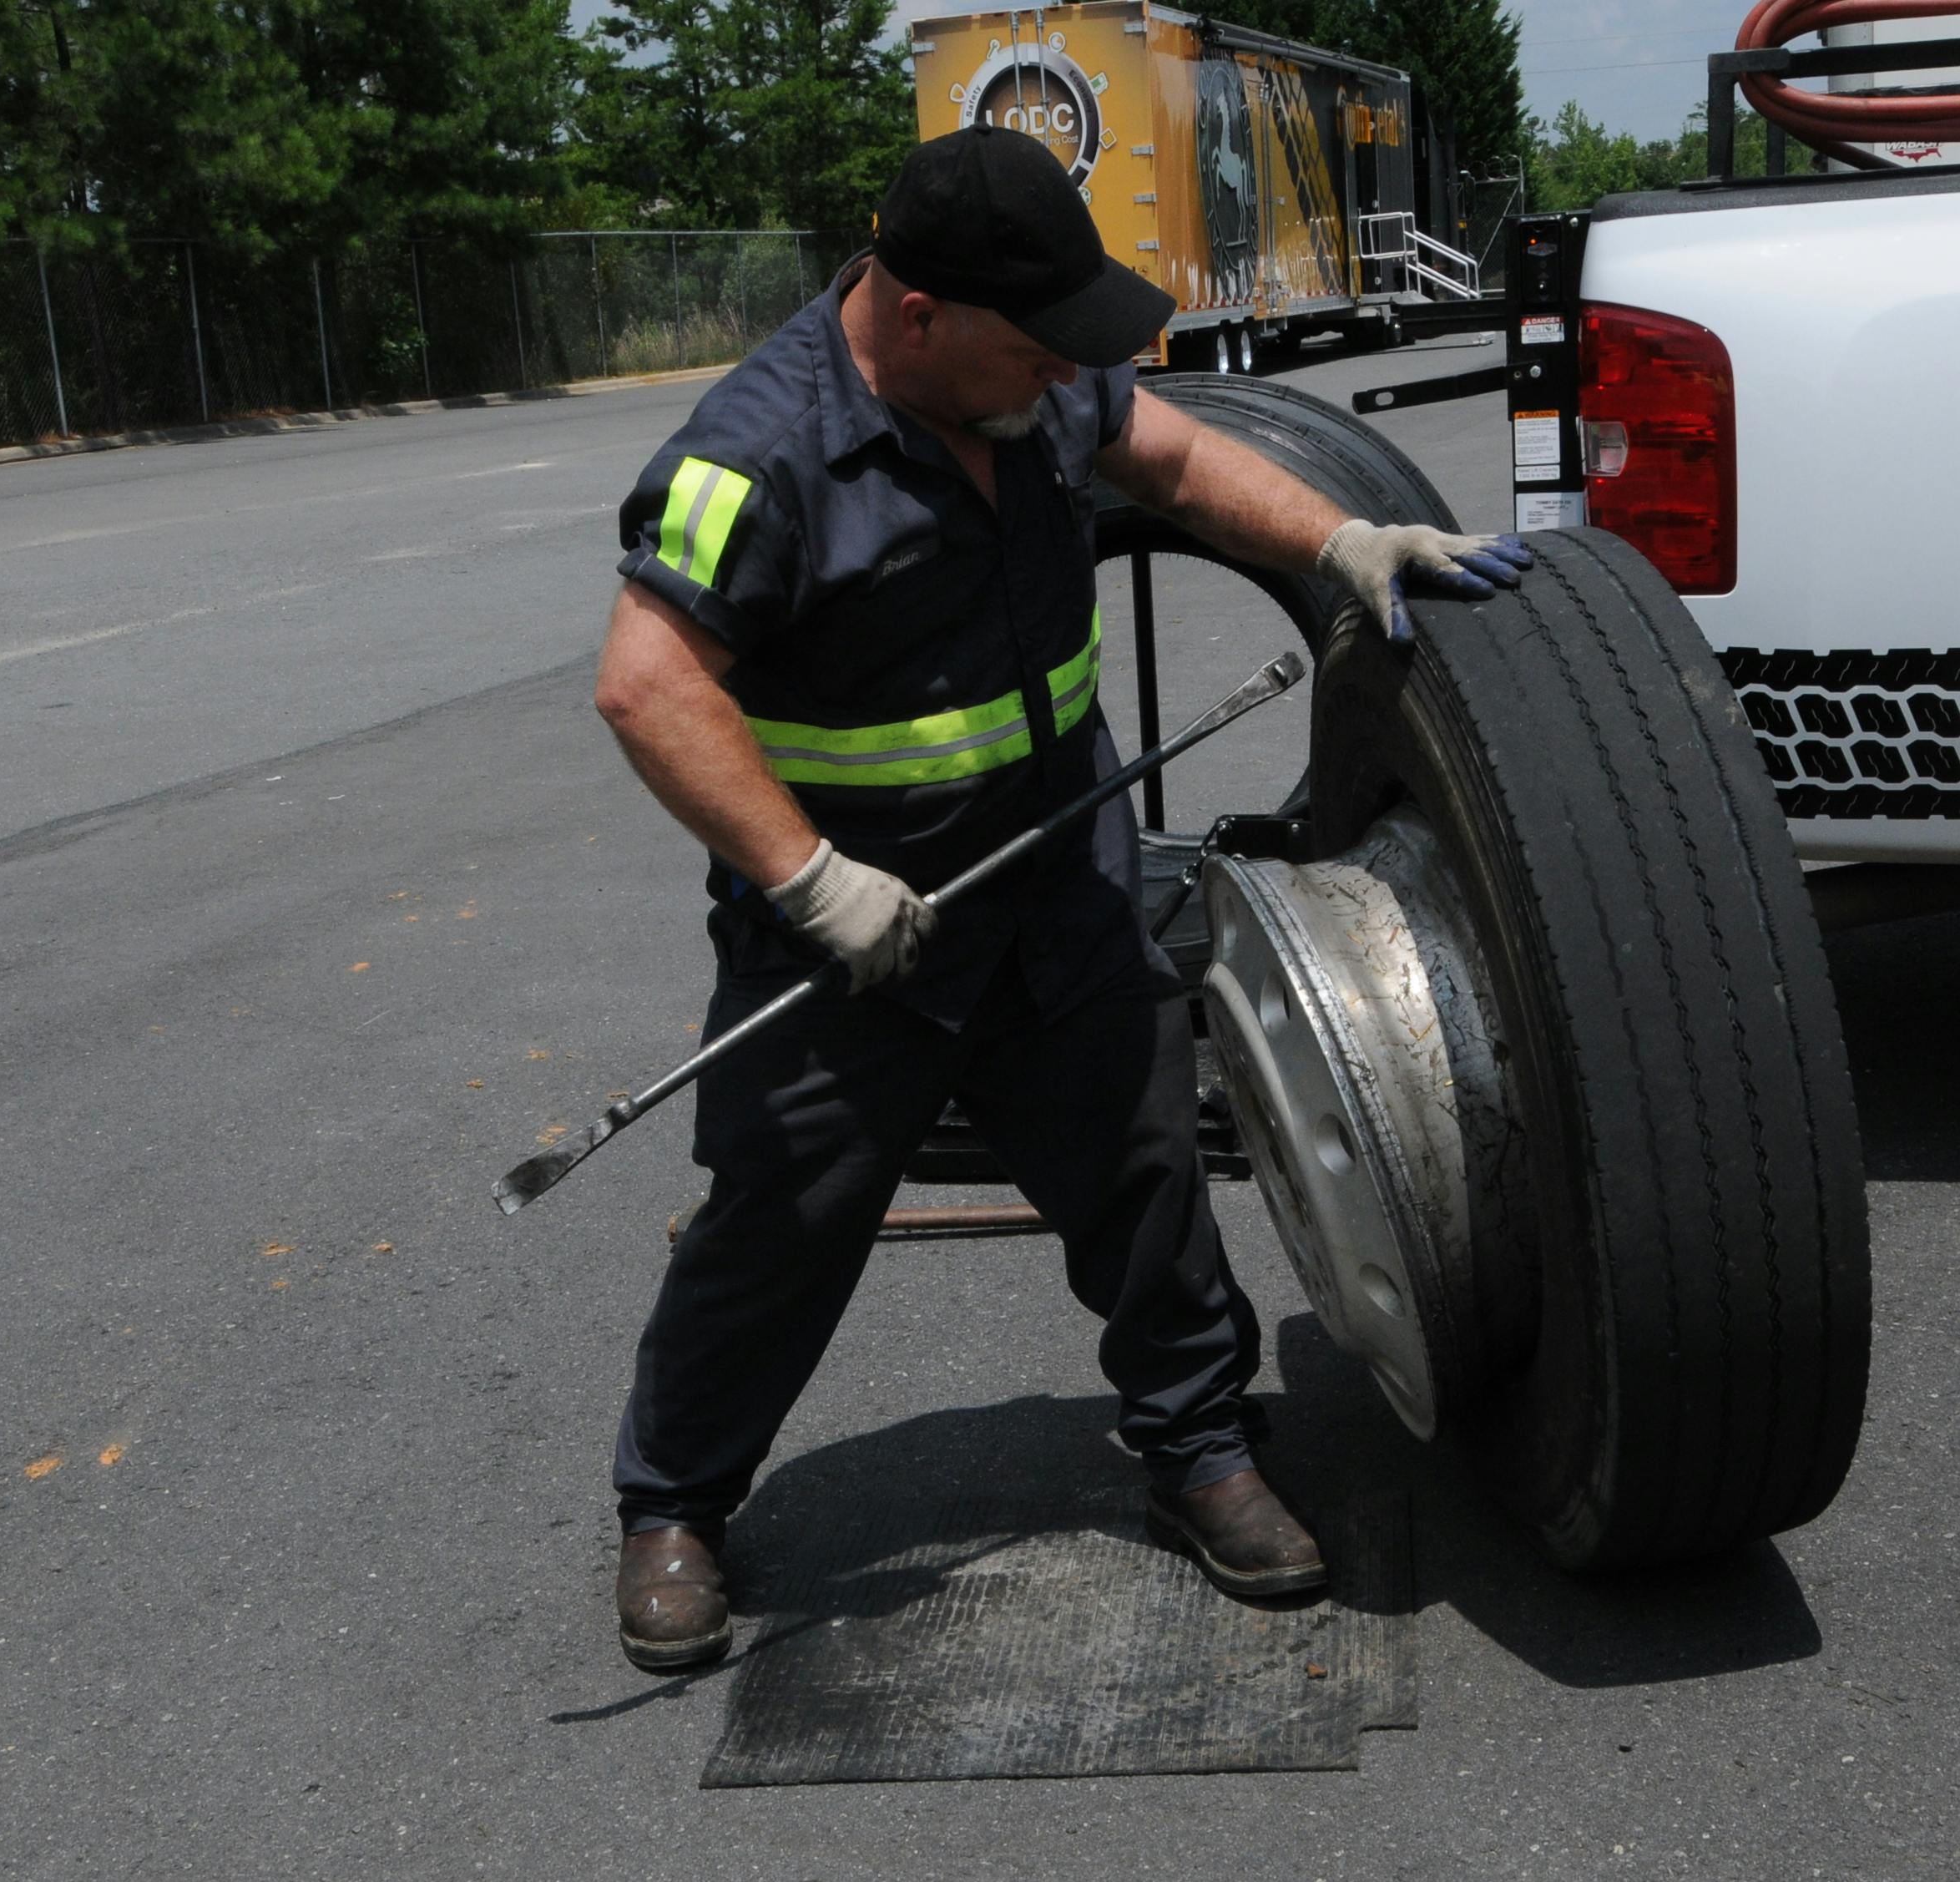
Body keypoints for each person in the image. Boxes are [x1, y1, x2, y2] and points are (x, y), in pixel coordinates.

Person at [591, 124, 1530, 1672]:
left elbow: (1174, 459)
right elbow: (647, 687)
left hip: (1059, 875)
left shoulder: (1032, 378)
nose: (1063, 377)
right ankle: (674, 1504)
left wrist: (1343, 539)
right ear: (918, 317)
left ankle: (1201, 1447)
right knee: (784, 1214)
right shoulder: (754, 458)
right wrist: (812, 881)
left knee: (1142, 1166)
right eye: (1034, 350)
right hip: (854, 928)